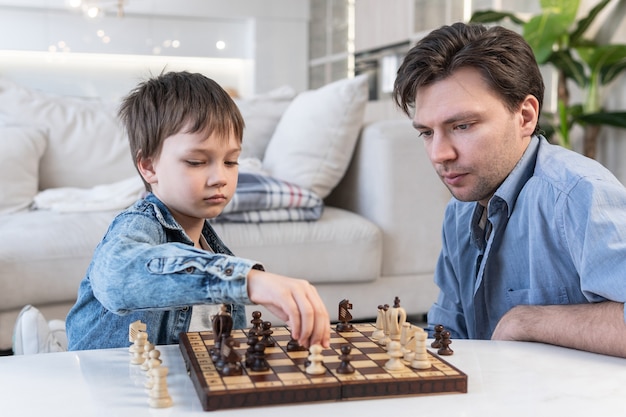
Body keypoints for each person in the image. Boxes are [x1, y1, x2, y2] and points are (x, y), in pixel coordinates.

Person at [393, 22, 626, 358]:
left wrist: (528, 321)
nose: (439, 154)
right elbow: (450, 336)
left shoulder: (577, 195)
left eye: (462, 126)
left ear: (526, 116)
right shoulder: (460, 211)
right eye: (427, 133)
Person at [65, 71, 330, 351]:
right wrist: (248, 280)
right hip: (102, 381)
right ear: (149, 166)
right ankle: (48, 341)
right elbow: (118, 276)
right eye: (196, 161)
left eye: (231, 161)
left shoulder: (219, 253)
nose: (221, 178)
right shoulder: (137, 226)